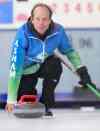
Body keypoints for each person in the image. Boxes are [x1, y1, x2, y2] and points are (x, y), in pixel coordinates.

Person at [6, 3, 94, 116]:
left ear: (50, 20)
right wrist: (11, 99)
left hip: (44, 65)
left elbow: (69, 51)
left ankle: (46, 103)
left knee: (55, 64)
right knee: (26, 99)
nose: (41, 23)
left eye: (44, 19)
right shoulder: (23, 34)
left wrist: (82, 70)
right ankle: (26, 95)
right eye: (37, 19)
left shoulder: (58, 31)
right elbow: (15, 69)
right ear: (32, 19)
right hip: (25, 70)